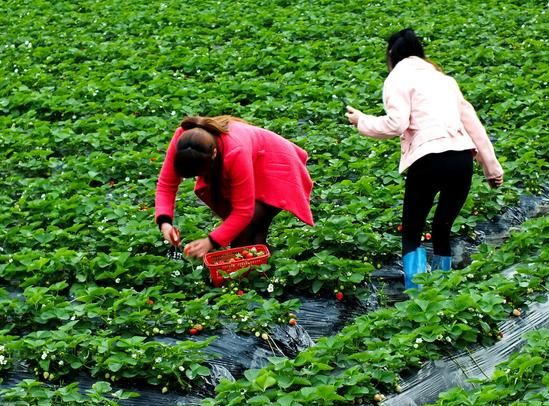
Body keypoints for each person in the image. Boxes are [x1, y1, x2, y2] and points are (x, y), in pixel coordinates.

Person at [345, 28, 503, 289]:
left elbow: (396, 124)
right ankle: (443, 293)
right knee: (442, 228)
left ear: (391, 54)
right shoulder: (444, 80)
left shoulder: (398, 78)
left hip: (428, 159)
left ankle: (418, 297)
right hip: (461, 159)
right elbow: (473, 125)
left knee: (412, 230)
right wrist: (492, 170)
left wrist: (362, 120)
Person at [155, 115, 314, 258]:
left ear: (214, 154)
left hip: (278, 167)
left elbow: (243, 212)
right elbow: (166, 185)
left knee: (245, 232)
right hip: (253, 160)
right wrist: (165, 223)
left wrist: (210, 242)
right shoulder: (183, 140)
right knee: (253, 236)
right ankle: (259, 272)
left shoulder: (235, 151)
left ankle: (249, 278)